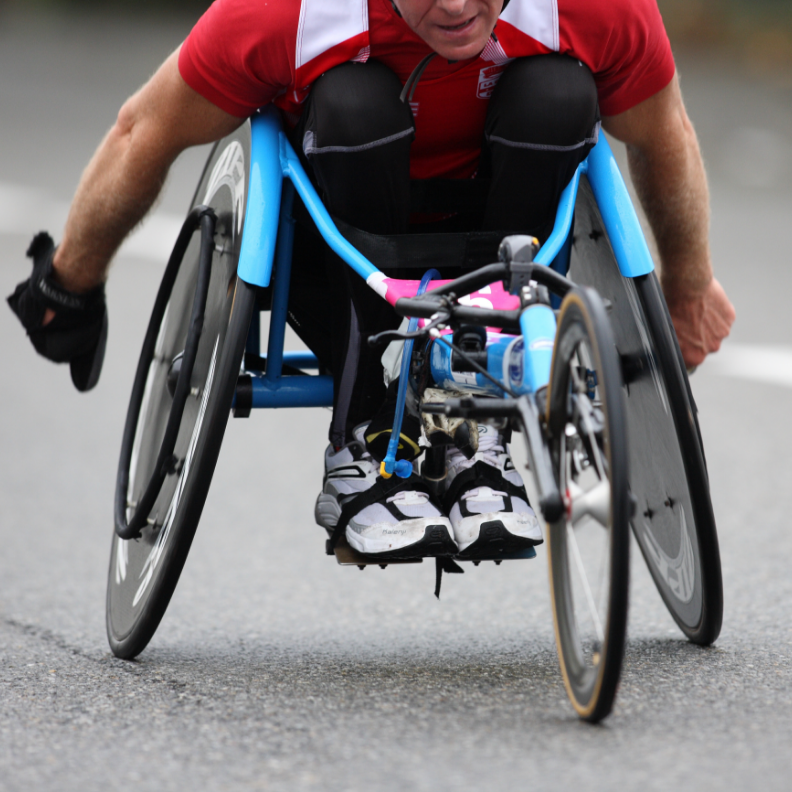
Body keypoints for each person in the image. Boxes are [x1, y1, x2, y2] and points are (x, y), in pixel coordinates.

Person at [8, 0, 735, 561]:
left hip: (503, 221)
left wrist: (688, 288)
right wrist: (70, 282)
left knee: (558, 94)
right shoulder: (289, 15)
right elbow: (147, 128)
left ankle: (476, 427)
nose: (454, 7)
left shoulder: (591, 9)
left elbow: (664, 128)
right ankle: (366, 431)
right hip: (340, 234)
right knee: (354, 101)